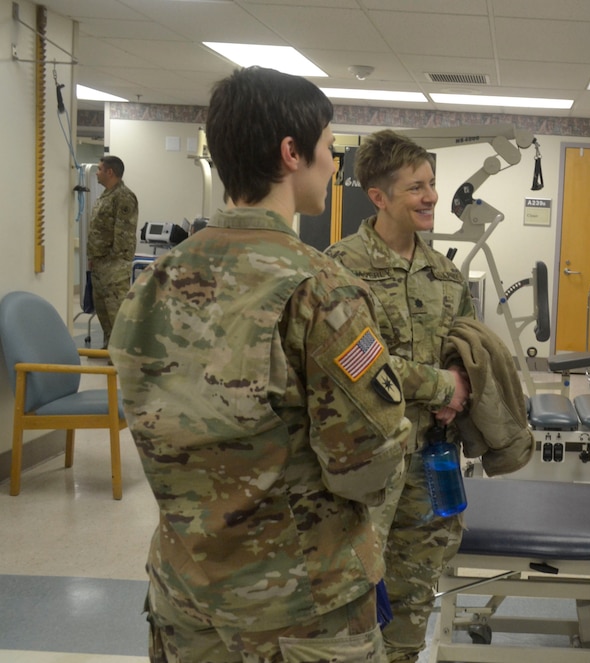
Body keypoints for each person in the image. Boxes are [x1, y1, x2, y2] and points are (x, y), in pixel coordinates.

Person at [108, 66, 410, 663]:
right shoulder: (321, 290)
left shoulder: (154, 281)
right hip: (299, 607)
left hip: (183, 593)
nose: (335, 165)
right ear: (291, 152)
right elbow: (366, 465)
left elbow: (147, 425)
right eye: (329, 148)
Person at [325, 129, 474, 663]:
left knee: (413, 599)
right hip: (367, 467)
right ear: (379, 197)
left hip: (430, 463)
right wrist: (440, 385)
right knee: (353, 596)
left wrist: (460, 386)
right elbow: (359, 364)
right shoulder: (339, 268)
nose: (431, 196)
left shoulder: (446, 275)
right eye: (416, 187)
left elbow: (468, 352)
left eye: (431, 183)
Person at [87, 154, 138, 348]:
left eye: (100, 169)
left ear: (110, 172)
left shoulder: (123, 196)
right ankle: (109, 347)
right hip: (100, 263)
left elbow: (123, 234)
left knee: (116, 311)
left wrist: (114, 263)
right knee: (102, 310)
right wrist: (94, 257)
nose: (97, 173)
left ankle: (121, 352)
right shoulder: (106, 195)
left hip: (113, 266)